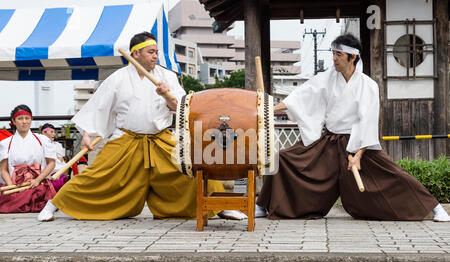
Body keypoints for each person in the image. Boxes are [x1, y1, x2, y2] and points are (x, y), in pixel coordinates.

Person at [38, 31, 243, 222]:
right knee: (98, 174)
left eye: (156, 52)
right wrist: (88, 134)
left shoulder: (167, 77)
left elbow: (181, 108)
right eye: (150, 52)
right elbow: (100, 108)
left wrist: (166, 95)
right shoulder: (118, 79)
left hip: (160, 138)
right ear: (136, 54)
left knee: (191, 167)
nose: (155, 56)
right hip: (127, 138)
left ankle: (220, 205)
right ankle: (54, 203)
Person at [255, 33, 449, 223]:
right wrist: (269, 110)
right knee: (284, 158)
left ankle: (434, 207)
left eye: (339, 54)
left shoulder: (368, 85)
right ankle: (262, 205)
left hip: (358, 143)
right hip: (330, 142)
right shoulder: (327, 78)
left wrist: (358, 155)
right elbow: (300, 97)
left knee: (392, 174)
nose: (334, 58)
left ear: (353, 57)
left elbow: (368, 121)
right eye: (333, 53)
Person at [0, 105, 57, 213]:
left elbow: (51, 163)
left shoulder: (42, 140)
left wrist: (38, 180)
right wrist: (10, 186)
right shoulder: (5, 143)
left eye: (27, 118)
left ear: (31, 120)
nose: (24, 122)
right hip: (16, 184)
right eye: (20, 118)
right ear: (14, 121)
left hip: (37, 182)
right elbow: (3, 169)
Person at [41, 123, 68, 191]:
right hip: (42, 171)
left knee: (59, 182)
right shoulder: (38, 144)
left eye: (54, 132)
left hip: (55, 171)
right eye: (51, 132)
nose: (54, 134)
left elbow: (60, 160)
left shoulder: (57, 145)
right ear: (43, 133)